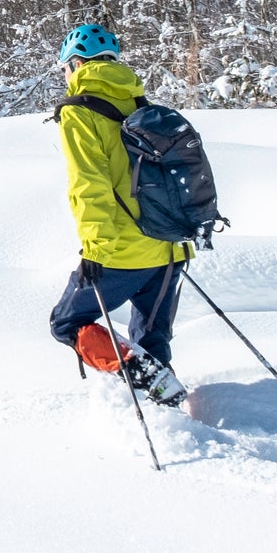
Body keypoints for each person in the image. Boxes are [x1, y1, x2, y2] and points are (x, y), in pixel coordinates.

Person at [46, 23, 189, 406]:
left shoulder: (79, 111)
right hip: (170, 247)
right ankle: (167, 408)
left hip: (121, 251)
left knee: (66, 323)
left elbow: (88, 183)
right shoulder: (141, 105)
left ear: (76, 64)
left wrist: (96, 248)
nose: (65, 76)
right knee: (152, 341)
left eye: (64, 68)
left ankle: (138, 372)